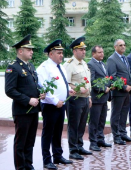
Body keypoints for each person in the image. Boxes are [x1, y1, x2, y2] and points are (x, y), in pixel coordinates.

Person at [5, 35, 44, 170]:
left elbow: (32, 86)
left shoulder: (30, 66)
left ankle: (28, 164)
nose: (31, 51)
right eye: (28, 49)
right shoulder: (13, 67)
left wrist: (40, 94)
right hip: (22, 111)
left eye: (31, 49)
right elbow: (10, 90)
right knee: (21, 142)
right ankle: (20, 167)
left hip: (33, 110)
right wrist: (28, 100)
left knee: (30, 140)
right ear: (20, 51)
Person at [36, 40, 75, 170]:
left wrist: (68, 90)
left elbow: (62, 83)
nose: (61, 55)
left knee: (58, 132)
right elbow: (43, 87)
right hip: (50, 106)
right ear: (51, 54)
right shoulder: (44, 68)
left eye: (62, 53)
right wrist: (54, 101)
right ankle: (47, 160)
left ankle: (58, 155)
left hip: (61, 104)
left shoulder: (61, 66)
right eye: (59, 53)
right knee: (48, 133)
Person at [63, 37, 93, 160]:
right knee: (74, 125)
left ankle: (79, 146)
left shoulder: (84, 63)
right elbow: (66, 82)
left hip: (85, 99)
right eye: (81, 49)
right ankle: (73, 150)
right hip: (74, 100)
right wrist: (77, 88)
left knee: (82, 124)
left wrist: (89, 97)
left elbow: (88, 83)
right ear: (74, 51)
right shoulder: (69, 65)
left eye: (84, 49)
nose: (84, 52)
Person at [106, 39, 131, 145]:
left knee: (124, 113)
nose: (123, 46)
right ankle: (116, 136)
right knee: (116, 114)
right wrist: (123, 86)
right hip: (118, 92)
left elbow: (127, 73)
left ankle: (123, 133)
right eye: (120, 45)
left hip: (127, 91)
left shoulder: (125, 58)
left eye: (124, 45)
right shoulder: (112, 59)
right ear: (115, 47)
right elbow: (112, 76)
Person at [87, 45, 112, 151]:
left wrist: (110, 85)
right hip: (96, 97)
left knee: (102, 120)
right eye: (99, 52)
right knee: (94, 121)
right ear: (93, 54)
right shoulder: (91, 64)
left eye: (102, 52)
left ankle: (100, 139)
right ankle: (93, 142)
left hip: (104, 98)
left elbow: (106, 78)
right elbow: (92, 81)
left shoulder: (102, 64)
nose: (102, 54)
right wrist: (103, 88)